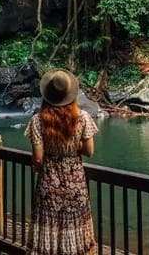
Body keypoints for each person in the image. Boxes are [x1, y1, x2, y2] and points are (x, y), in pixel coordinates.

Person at [26, 69, 99, 255]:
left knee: (48, 226)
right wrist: (72, 150)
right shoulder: (83, 118)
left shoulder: (37, 120)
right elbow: (90, 151)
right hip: (75, 183)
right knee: (75, 225)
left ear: (47, 96)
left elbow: (38, 158)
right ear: (70, 95)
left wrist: (43, 161)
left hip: (49, 182)